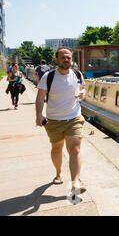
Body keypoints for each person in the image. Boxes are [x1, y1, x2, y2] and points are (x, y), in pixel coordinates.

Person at [35, 47, 87, 196]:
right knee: (57, 148)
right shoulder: (48, 76)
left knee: (75, 149)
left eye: (68, 57)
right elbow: (40, 98)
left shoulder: (77, 74)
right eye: (63, 57)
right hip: (54, 120)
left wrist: (83, 93)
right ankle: (58, 173)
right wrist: (39, 114)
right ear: (56, 59)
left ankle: (75, 182)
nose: (66, 60)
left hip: (74, 117)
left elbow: (83, 88)